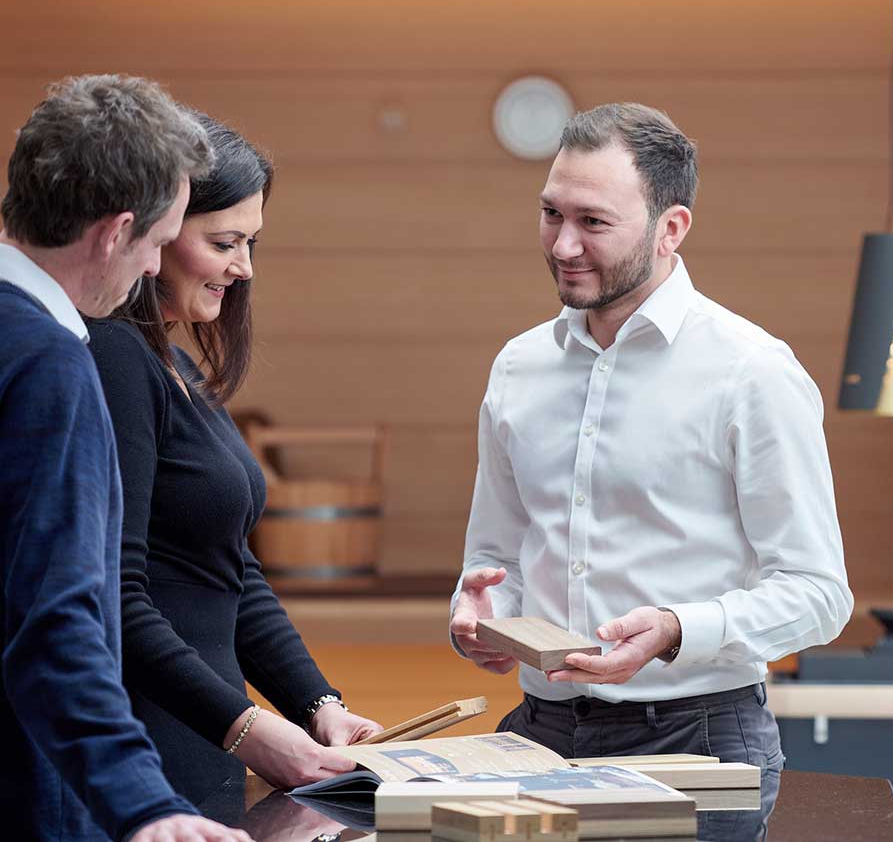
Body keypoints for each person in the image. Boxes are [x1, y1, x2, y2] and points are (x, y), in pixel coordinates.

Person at [450, 103, 854, 821]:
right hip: (538, 736)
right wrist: (481, 609)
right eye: (551, 214)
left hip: (697, 738)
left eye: (593, 223)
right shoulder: (518, 366)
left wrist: (675, 630)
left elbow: (819, 594)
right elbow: (498, 554)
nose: (563, 245)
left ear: (671, 229)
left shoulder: (750, 371)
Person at [87, 113, 382, 806]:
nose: (243, 267)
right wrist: (248, 727)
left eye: (250, 243)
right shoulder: (113, 359)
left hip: (206, 737)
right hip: (154, 739)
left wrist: (316, 702)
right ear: (155, 232)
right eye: (224, 242)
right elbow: (115, 597)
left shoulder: (175, 361)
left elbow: (228, 571)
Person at [0, 75, 253, 841]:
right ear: (115, 233)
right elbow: (56, 618)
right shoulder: (50, 362)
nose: (152, 271)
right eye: (156, 241)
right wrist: (144, 804)